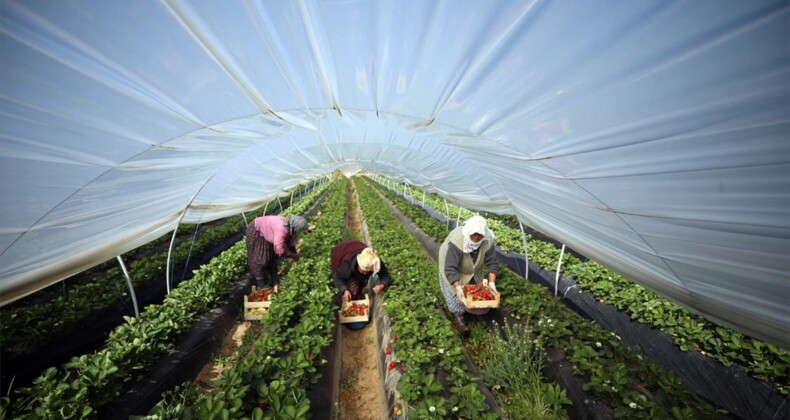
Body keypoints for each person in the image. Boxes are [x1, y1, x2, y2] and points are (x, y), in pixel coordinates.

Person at [438, 215, 499, 333]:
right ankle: (459, 317)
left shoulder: (487, 240)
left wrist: (492, 283)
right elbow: (450, 268)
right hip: (451, 265)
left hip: (472, 267)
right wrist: (458, 288)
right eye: (473, 234)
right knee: (454, 294)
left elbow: (493, 263)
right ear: (468, 232)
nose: (476, 238)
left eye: (480, 235)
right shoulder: (457, 241)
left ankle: (471, 310)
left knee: (473, 286)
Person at [246, 214, 308, 288]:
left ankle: (274, 282)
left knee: (272, 256)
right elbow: (279, 251)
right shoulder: (281, 229)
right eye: (299, 230)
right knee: (260, 258)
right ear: (295, 227)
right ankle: (261, 285)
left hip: (267, 230)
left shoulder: (289, 225)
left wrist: (295, 257)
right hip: (256, 230)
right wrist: (293, 255)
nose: (298, 232)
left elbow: (290, 242)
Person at [331, 240, 391, 304]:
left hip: (356, 247)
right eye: (362, 271)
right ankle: (348, 298)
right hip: (341, 251)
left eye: (367, 272)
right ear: (358, 265)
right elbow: (337, 277)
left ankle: (358, 294)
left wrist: (382, 285)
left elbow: (385, 274)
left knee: (362, 281)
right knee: (352, 290)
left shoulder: (375, 261)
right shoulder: (347, 264)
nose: (365, 273)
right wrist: (344, 290)